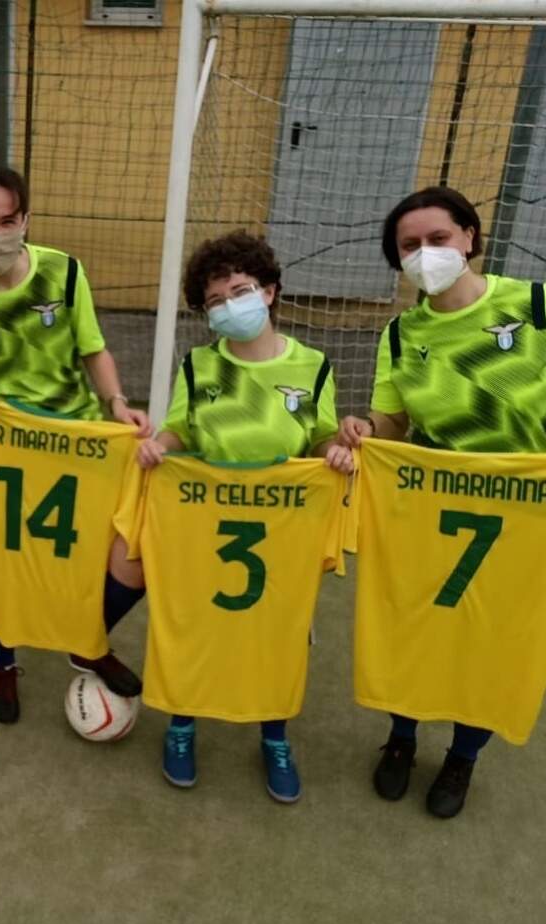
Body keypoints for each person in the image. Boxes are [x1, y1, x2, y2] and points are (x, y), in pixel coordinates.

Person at [338, 185, 546, 818]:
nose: (425, 254)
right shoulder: (400, 335)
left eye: (438, 238)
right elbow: (393, 425)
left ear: (469, 237)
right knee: (414, 628)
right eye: (409, 246)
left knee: (495, 641)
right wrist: (365, 429)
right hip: (429, 511)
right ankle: (401, 739)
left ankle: (463, 757)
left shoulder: (535, 304)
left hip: (522, 513)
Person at [112, 230, 352, 799]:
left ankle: (274, 736)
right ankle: (182, 724)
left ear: (269, 291)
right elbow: (179, 427)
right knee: (196, 626)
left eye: (240, 291)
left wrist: (334, 452)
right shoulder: (199, 366)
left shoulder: (313, 366)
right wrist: (159, 447)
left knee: (276, 636)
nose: (228, 306)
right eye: (215, 300)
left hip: (282, 531)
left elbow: (320, 435)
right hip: (204, 523)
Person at [0, 167, 151, 724]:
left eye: (7, 220)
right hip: (6, 447)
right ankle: (5, 663)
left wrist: (117, 402)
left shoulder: (64, 272)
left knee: (124, 550)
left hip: (79, 441)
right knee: (8, 561)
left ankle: (88, 640)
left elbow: (93, 349)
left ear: (25, 220)